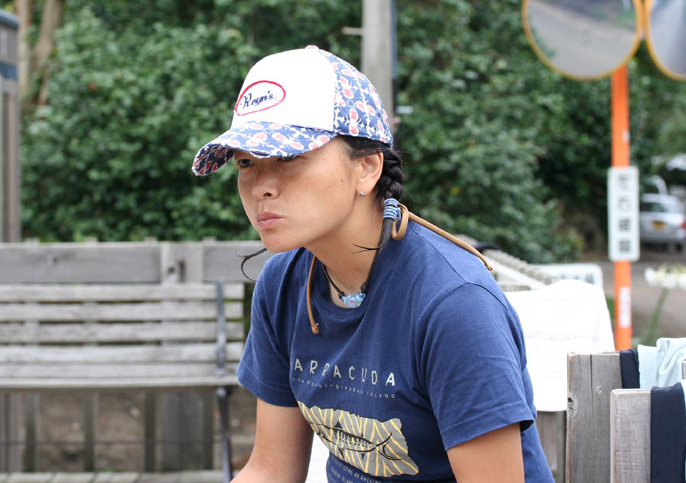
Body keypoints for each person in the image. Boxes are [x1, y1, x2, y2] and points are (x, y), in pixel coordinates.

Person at [192, 46, 553, 483]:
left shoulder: (454, 304)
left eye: (288, 156)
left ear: (367, 168)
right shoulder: (283, 284)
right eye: (246, 162)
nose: (261, 187)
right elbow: (271, 469)